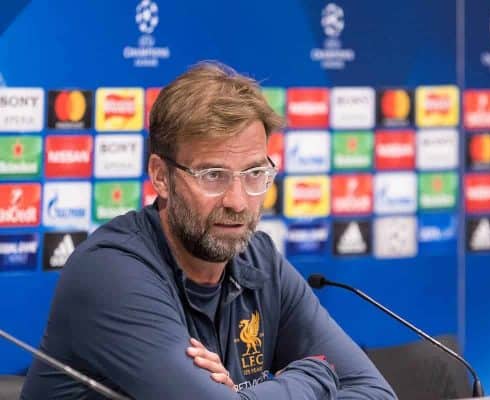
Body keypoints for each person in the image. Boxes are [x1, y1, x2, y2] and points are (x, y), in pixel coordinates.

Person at [21, 61, 397, 399]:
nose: (237, 200)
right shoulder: (111, 272)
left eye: (254, 175)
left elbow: (375, 392)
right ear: (161, 177)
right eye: (213, 175)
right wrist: (315, 374)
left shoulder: (259, 261)